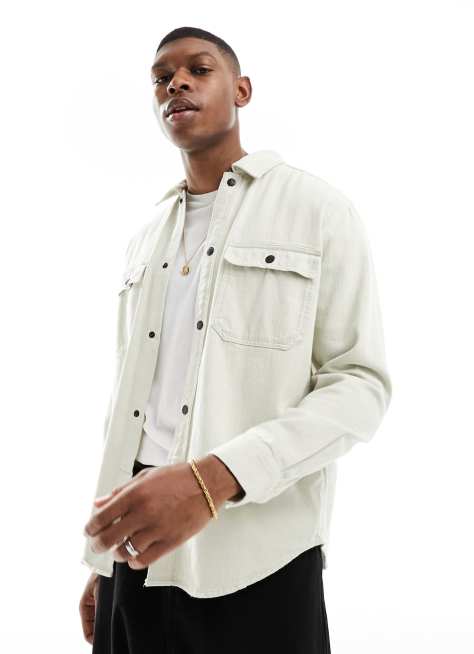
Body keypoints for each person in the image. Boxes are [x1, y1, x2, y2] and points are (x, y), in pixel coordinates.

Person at [78, 25, 392, 654]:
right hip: (133, 554)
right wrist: (101, 559)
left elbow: (360, 386)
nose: (177, 84)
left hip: (258, 555)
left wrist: (212, 481)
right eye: (162, 78)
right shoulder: (146, 240)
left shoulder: (317, 209)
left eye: (198, 69)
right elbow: (133, 407)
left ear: (242, 90)